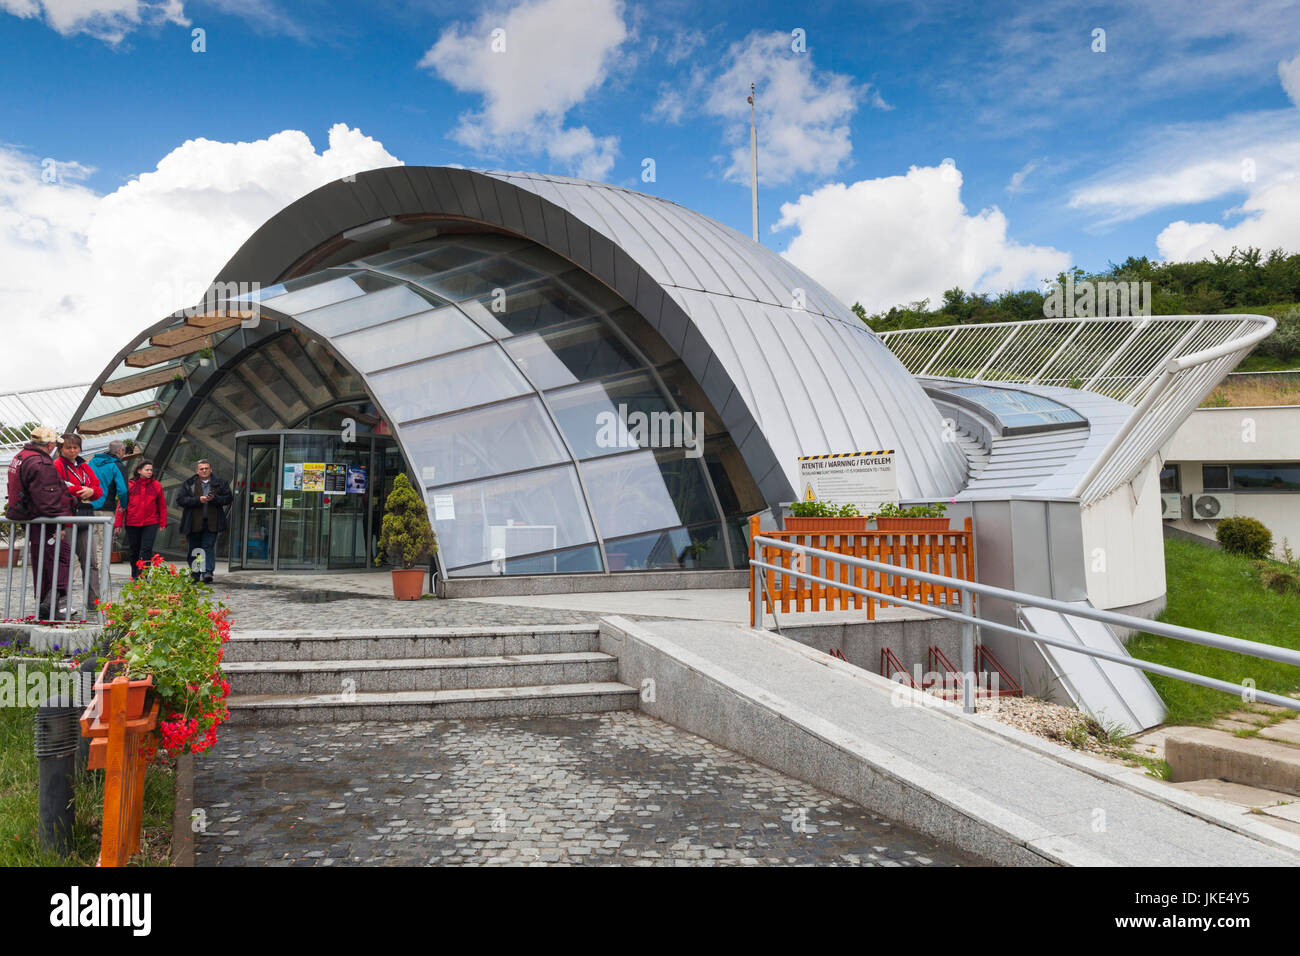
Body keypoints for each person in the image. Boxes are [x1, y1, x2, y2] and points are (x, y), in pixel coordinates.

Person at [3, 426, 73, 618]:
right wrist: (59, 524)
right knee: (60, 557)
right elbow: (48, 498)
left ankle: (47, 603)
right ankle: (50, 604)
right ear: (49, 444)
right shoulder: (41, 463)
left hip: (29, 517)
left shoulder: (20, 456)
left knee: (43, 561)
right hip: (44, 521)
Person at [52, 433, 103, 610]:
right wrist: (83, 490)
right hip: (67, 517)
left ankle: (94, 602)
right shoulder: (57, 465)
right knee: (64, 562)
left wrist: (90, 491)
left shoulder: (83, 466)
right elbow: (60, 488)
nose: (72, 450)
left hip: (84, 516)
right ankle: (60, 604)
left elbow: (98, 489)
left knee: (91, 562)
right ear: (61, 449)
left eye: (75, 447)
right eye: (68, 447)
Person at [176, 459, 233, 583]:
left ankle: (207, 572)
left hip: (212, 521)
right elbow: (180, 500)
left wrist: (215, 499)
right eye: (201, 469)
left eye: (206, 468)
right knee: (194, 548)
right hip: (193, 522)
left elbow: (229, 498)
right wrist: (197, 500)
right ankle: (195, 573)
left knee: (208, 547)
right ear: (197, 471)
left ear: (211, 469)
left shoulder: (220, 483)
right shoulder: (188, 483)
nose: (204, 470)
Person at [87, 439, 130, 571]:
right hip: (105, 508)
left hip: (87, 507)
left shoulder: (92, 462)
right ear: (120, 451)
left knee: (87, 543)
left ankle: (79, 575)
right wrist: (124, 504)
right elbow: (122, 490)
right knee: (103, 544)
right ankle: (99, 577)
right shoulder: (117, 466)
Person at [124, 460, 167, 580]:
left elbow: (162, 506)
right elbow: (122, 505)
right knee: (134, 549)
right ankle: (135, 572)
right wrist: (118, 523)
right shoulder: (130, 485)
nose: (149, 472)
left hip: (150, 522)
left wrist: (163, 522)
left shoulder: (156, 485)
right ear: (139, 471)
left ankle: (143, 575)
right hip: (132, 521)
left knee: (146, 549)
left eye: (151, 470)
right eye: (147, 470)